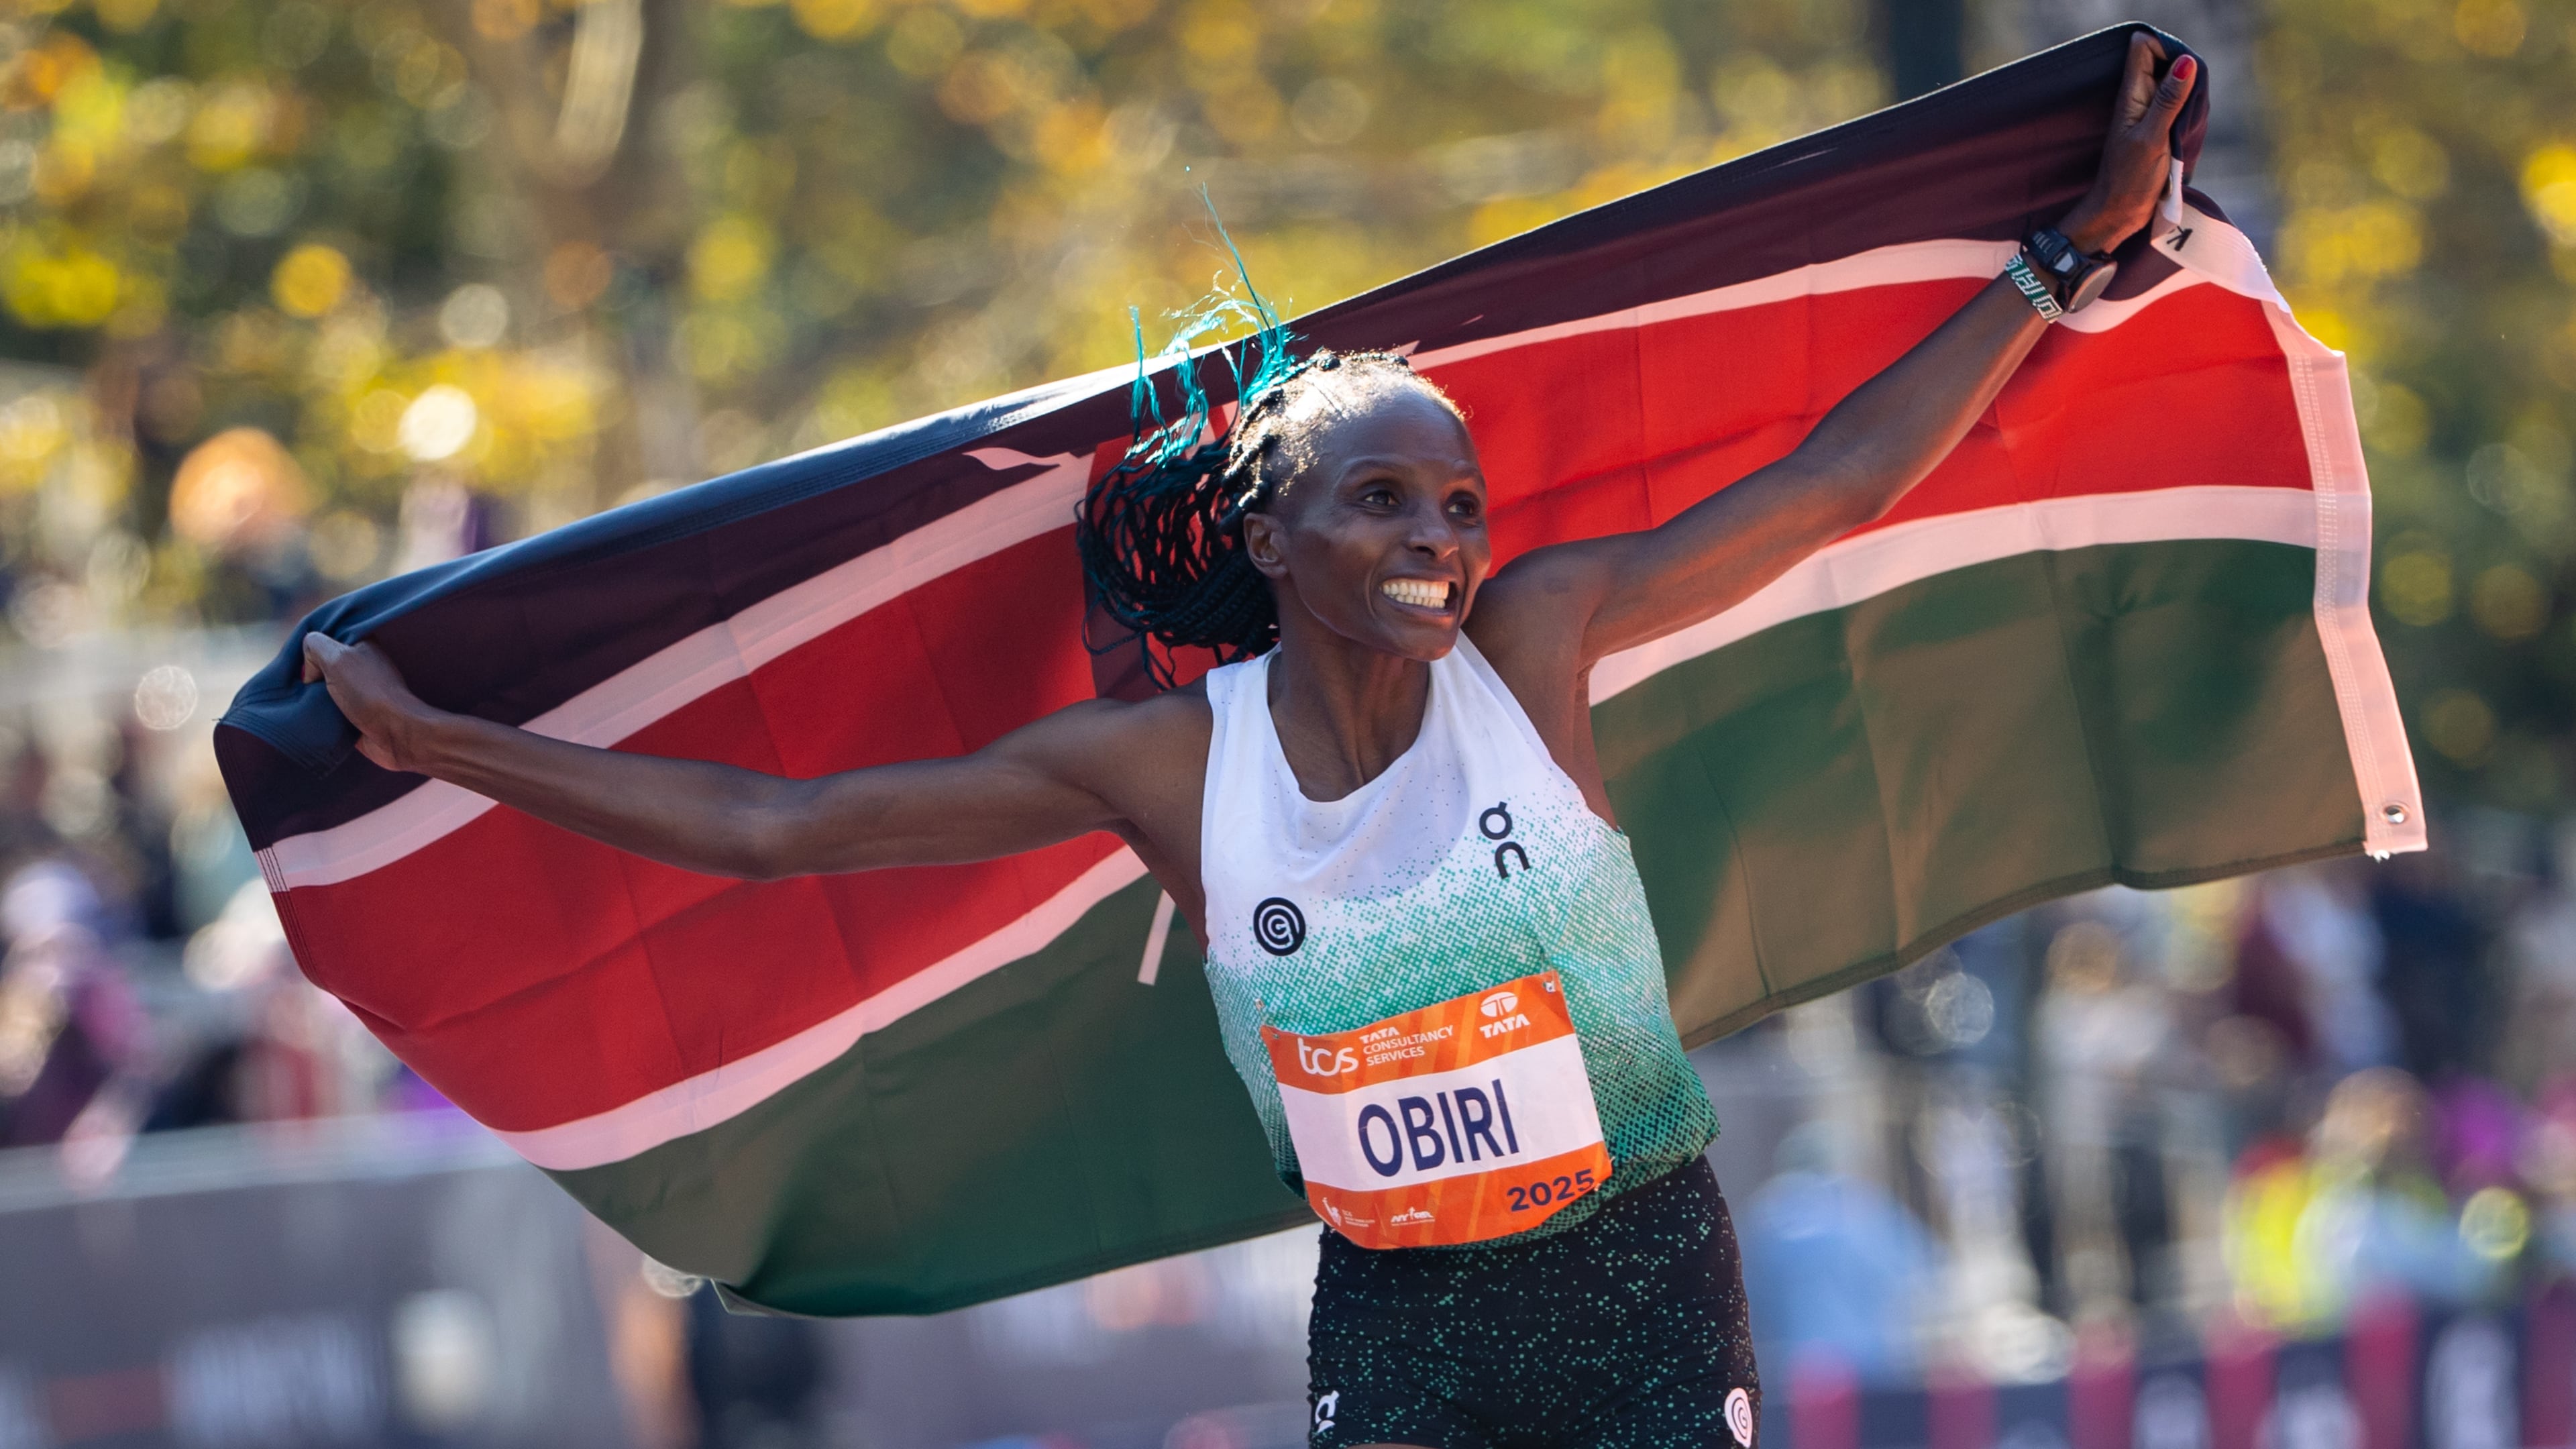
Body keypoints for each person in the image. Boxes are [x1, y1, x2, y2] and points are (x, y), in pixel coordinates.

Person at [302, 36, 2195, 1449]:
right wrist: (455, 750)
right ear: (1270, 535)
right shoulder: (1162, 769)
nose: (1440, 544)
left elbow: (1834, 482)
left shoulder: (1537, 647)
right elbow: (774, 826)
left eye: (1457, 505)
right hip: (1399, 1314)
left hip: (1631, 1274)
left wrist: (2049, 268)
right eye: (1383, 504)